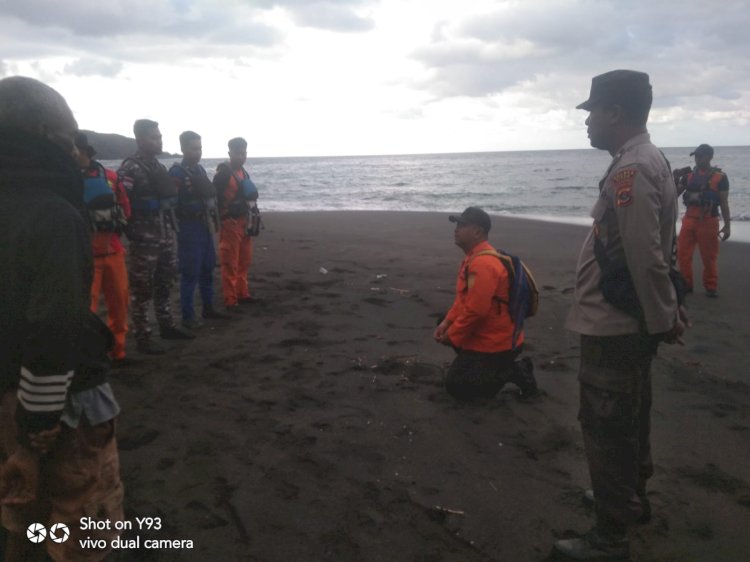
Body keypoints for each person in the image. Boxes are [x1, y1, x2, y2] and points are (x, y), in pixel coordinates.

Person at [557, 70, 688, 560]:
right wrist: (667, 311)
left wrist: (664, 318)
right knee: (633, 412)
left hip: (614, 323)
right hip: (630, 320)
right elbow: (659, 253)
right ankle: (632, 500)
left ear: (615, 113)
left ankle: (610, 535)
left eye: (592, 111)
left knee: (607, 423)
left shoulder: (631, 169)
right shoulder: (647, 160)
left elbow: (644, 254)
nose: (587, 121)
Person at [0, 76, 124, 561]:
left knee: (19, 523)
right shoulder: (51, 213)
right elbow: (55, 330)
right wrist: (34, 434)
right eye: (71, 142)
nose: (77, 157)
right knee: (81, 528)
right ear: (42, 132)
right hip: (54, 408)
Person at [433, 207, 538, 401]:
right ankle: (479, 365)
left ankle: (513, 370)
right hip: (491, 333)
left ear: (477, 232)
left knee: (457, 387)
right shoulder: (475, 258)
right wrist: (446, 323)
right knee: (443, 320)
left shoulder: (483, 264)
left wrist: (453, 336)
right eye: (456, 224)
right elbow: (463, 301)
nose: (456, 229)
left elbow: (476, 311)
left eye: (462, 225)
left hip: (500, 342)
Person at [118, 119, 194, 354]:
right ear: (140, 140)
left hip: (165, 235)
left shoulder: (159, 168)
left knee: (165, 283)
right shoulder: (129, 169)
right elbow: (121, 204)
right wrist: (132, 233)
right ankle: (143, 337)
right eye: (154, 137)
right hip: (144, 239)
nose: (159, 140)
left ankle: (167, 326)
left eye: (160, 136)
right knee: (142, 290)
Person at [75, 133, 132, 364]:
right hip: (83, 255)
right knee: (85, 309)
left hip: (113, 250)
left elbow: (124, 204)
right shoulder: (65, 180)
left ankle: (118, 351)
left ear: (85, 151)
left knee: (119, 304)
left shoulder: (109, 176)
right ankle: (86, 358)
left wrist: (119, 224)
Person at [169, 131, 230, 329]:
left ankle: (208, 308)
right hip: (188, 227)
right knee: (190, 272)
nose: (198, 152)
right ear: (183, 149)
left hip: (204, 225)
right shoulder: (176, 173)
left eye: (200, 148)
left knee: (207, 267)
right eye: (193, 148)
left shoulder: (201, 170)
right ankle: (188, 316)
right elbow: (172, 202)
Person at [675, 144, 731, 298]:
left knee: (709, 256)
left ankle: (711, 287)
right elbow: (674, 194)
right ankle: (686, 285)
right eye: (696, 156)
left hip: (709, 221)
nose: (698, 159)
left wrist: (727, 226)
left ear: (710, 157)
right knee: (683, 254)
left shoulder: (721, 177)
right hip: (689, 220)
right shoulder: (688, 177)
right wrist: (674, 178)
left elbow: (724, 203)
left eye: (701, 156)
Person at [213, 137, 260, 312]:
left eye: (244, 153)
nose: (242, 156)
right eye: (238, 153)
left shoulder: (243, 172)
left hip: (245, 223)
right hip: (230, 224)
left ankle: (243, 293)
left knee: (245, 260)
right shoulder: (223, 174)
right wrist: (221, 220)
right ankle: (230, 299)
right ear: (230, 153)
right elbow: (214, 199)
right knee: (230, 262)